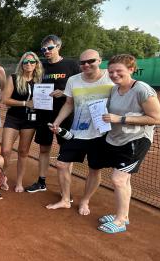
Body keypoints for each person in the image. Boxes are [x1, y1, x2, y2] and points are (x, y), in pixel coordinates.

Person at [97, 54, 160, 233]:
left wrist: (121, 119)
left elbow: (157, 118)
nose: (114, 75)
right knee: (123, 180)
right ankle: (123, 215)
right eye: (111, 72)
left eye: (119, 71)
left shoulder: (142, 89)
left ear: (131, 69)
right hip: (119, 140)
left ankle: (120, 221)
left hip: (137, 141)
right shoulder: (114, 89)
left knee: (118, 179)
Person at [46, 49, 114, 215]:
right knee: (61, 164)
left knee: (94, 169)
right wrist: (57, 122)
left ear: (99, 60)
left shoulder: (111, 78)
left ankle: (85, 200)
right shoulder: (73, 80)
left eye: (90, 61)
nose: (86, 65)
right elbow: (69, 103)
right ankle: (65, 199)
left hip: (100, 133)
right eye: (82, 62)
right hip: (77, 131)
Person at [26, 35, 80, 193]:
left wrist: (63, 93)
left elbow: (80, 87)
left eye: (50, 48)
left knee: (66, 151)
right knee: (44, 149)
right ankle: (41, 182)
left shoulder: (71, 65)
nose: (46, 51)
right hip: (43, 114)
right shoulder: (40, 65)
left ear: (58, 47)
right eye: (43, 49)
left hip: (65, 115)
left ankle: (65, 188)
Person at [0, 52, 43, 192]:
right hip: (13, 118)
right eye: (26, 62)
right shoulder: (14, 78)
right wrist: (25, 103)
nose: (29, 64)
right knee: (5, 150)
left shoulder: (40, 81)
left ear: (36, 64)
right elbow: (5, 100)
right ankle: (2, 177)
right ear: (22, 64)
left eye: (32, 62)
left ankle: (19, 182)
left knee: (23, 151)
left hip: (30, 121)